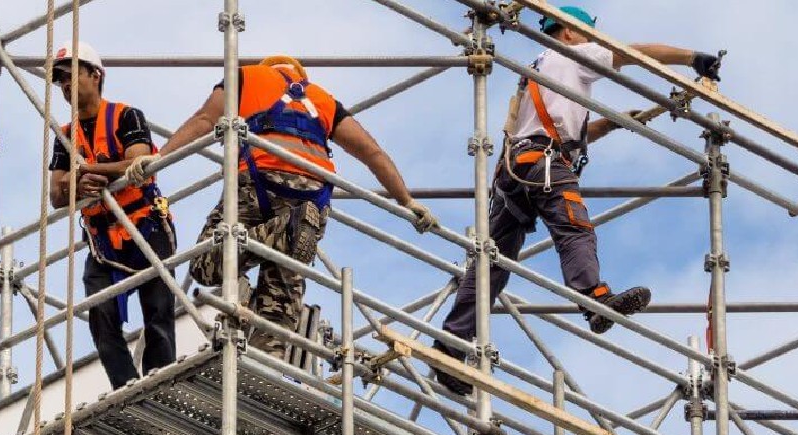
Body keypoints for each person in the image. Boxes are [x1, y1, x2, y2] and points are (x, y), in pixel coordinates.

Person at [432, 5, 722, 396]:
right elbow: (631, 53)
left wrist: (611, 122)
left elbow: (563, 131)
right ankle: (593, 299)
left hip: (515, 171)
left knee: (492, 265)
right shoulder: (574, 54)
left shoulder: (540, 67)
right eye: (586, 34)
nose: (592, 42)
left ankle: (450, 345)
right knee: (574, 229)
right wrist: (692, 58)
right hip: (545, 165)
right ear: (568, 32)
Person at [127, 55, 437, 359]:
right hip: (311, 199)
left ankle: (283, 232)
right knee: (280, 302)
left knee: (205, 264)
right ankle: (268, 363)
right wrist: (406, 201)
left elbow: (205, 119)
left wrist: (161, 157)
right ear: (299, 74)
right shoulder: (323, 100)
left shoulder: (246, 77)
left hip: (257, 183)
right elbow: (372, 153)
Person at [48, 40, 177, 389]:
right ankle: (126, 386)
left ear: (95, 74)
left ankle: (160, 384)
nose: (64, 84)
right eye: (59, 79)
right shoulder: (64, 135)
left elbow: (141, 165)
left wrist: (93, 170)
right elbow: (56, 195)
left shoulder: (125, 116)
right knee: (102, 318)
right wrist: (77, 182)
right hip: (102, 238)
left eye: (70, 75)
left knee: (158, 312)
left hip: (144, 225)